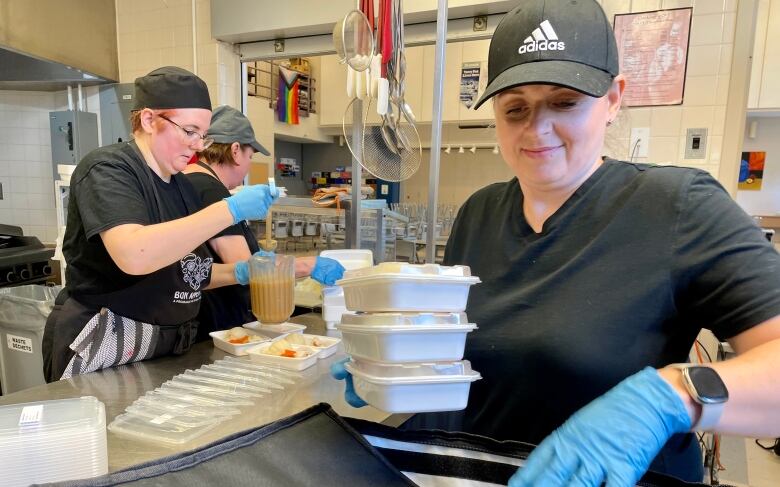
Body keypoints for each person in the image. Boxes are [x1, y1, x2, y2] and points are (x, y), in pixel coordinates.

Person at [334, 1, 780, 485]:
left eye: (565, 101)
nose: (536, 127)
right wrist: (394, 367)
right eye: (515, 108)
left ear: (613, 100)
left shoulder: (678, 207)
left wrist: (671, 398)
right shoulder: (479, 214)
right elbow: (466, 356)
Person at [42, 67, 279, 382]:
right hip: (106, 342)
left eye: (203, 135)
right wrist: (229, 210)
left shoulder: (182, 186)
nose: (198, 146)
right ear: (149, 120)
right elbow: (135, 253)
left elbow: (187, 273)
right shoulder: (109, 170)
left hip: (166, 346)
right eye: (189, 131)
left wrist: (239, 272)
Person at [181, 105, 345, 340]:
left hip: (196, 321)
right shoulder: (210, 190)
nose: (248, 165)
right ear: (235, 150)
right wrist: (309, 265)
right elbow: (248, 268)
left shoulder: (186, 181)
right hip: (217, 328)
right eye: (250, 156)